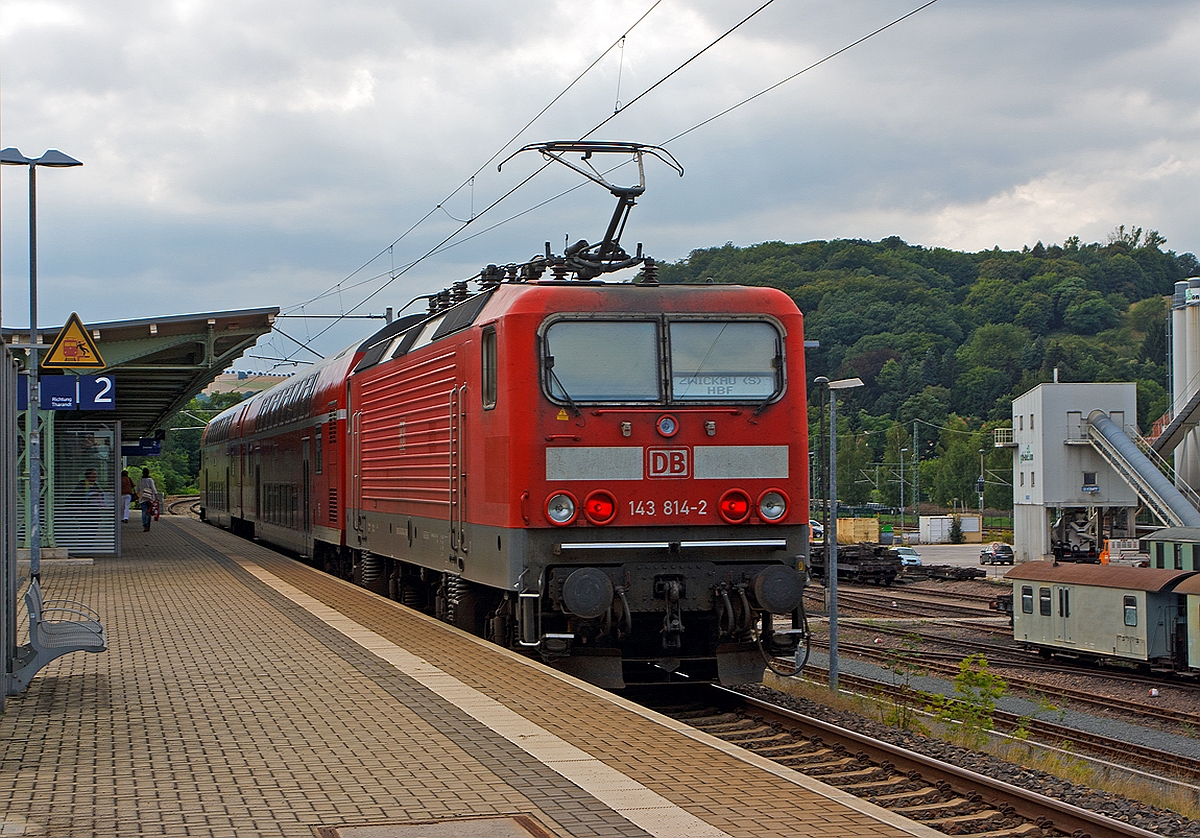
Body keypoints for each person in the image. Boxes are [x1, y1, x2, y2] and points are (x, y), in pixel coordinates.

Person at [137, 468, 158, 532]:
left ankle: (144, 525)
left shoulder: (140, 480)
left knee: (144, 512)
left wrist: (139, 496)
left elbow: (137, 490)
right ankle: (148, 525)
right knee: (149, 512)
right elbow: (153, 489)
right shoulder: (150, 480)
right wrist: (156, 496)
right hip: (150, 499)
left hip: (142, 498)